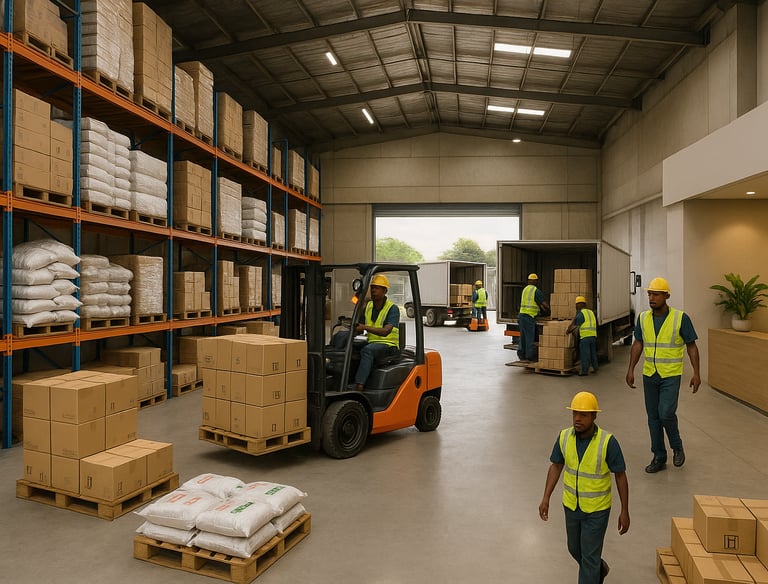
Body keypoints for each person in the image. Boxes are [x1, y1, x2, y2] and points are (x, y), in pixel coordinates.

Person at [539, 391, 630, 584]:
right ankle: (598, 567)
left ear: (594, 416)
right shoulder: (564, 437)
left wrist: (624, 510)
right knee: (575, 549)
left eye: (584, 415)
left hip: (597, 510)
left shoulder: (608, 442)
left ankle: (593, 570)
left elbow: (620, 476)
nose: (577, 419)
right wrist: (546, 497)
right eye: (575, 414)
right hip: (571, 506)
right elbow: (556, 466)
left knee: (588, 558)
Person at [625, 277, 701, 473]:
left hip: (671, 375)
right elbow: (638, 343)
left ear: (666, 296)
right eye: (650, 294)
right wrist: (631, 369)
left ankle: (676, 446)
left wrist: (696, 373)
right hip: (650, 374)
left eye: (656, 294)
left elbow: (691, 345)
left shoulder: (680, 318)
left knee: (666, 413)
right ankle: (659, 456)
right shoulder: (643, 318)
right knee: (653, 418)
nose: (652, 298)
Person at [349, 273, 400, 390]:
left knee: (367, 351)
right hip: (372, 342)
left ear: (384, 291)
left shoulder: (392, 309)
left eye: (376, 288)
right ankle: (345, 379)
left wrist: (364, 328)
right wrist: (353, 330)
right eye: (372, 287)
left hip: (389, 346)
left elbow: (385, 331)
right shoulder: (368, 306)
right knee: (346, 342)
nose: (373, 290)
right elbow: (360, 325)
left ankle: (360, 385)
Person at [518, 273, 550, 363]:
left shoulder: (525, 289)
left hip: (521, 315)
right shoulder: (536, 290)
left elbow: (536, 303)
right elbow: (543, 303)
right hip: (529, 316)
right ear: (536, 281)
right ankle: (529, 356)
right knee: (529, 337)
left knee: (523, 336)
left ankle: (521, 355)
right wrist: (550, 310)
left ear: (528, 281)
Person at [567, 296, 598, 376]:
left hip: (585, 338)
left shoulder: (581, 314)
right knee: (592, 353)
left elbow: (574, 326)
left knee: (585, 354)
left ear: (579, 304)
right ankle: (595, 367)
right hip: (593, 336)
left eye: (576, 304)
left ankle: (584, 371)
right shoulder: (590, 312)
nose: (576, 306)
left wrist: (568, 330)